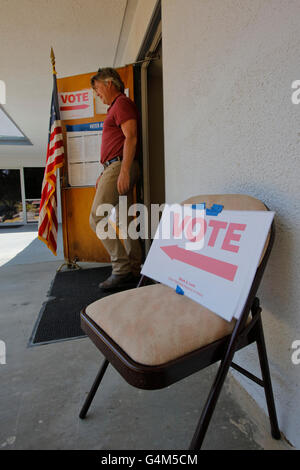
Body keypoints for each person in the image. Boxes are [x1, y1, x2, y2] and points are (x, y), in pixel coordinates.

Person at [89, 68, 142, 290]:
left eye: (97, 88)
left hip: (121, 166)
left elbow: (131, 136)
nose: (96, 94)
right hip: (115, 166)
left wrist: (123, 171)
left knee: (96, 218)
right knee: (124, 220)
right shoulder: (117, 105)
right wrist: (105, 173)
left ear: (110, 83)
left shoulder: (121, 103)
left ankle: (120, 269)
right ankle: (135, 268)